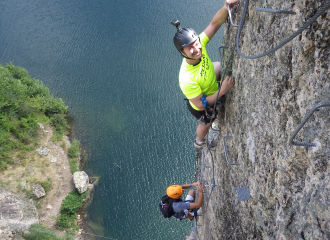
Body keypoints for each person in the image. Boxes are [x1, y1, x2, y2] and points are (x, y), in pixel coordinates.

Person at [171, 0, 239, 149]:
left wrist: (226, 7)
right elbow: (201, 105)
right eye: (190, 48)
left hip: (207, 80)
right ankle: (199, 142)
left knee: (219, 66)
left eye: (196, 43)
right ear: (182, 53)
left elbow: (214, 24)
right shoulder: (186, 79)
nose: (197, 49)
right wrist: (223, 90)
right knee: (206, 123)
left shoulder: (199, 43)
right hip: (200, 103)